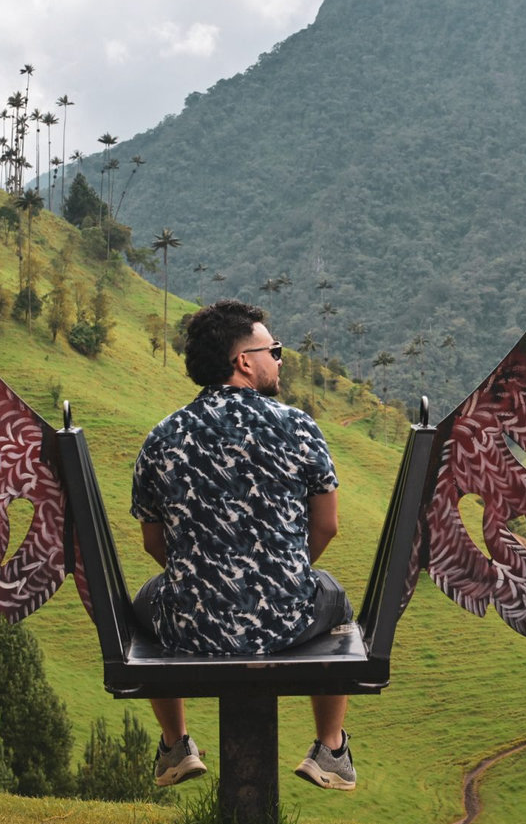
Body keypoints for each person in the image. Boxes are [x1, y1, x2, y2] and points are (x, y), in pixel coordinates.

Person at [129, 298, 357, 791]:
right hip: (284, 621)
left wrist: (203, 573)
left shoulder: (163, 436)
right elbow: (328, 525)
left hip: (189, 623)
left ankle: (174, 746)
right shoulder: (298, 427)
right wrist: (283, 571)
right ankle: (331, 749)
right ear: (244, 361)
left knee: (146, 598)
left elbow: (153, 540)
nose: (280, 358)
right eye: (273, 349)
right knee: (336, 597)